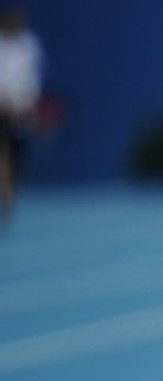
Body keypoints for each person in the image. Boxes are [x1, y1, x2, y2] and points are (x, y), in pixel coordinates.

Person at [0, 4, 42, 220]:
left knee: (16, 156)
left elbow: (32, 78)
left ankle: (8, 190)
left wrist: (28, 104)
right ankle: (4, 192)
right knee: (3, 153)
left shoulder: (29, 45)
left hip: (20, 109)